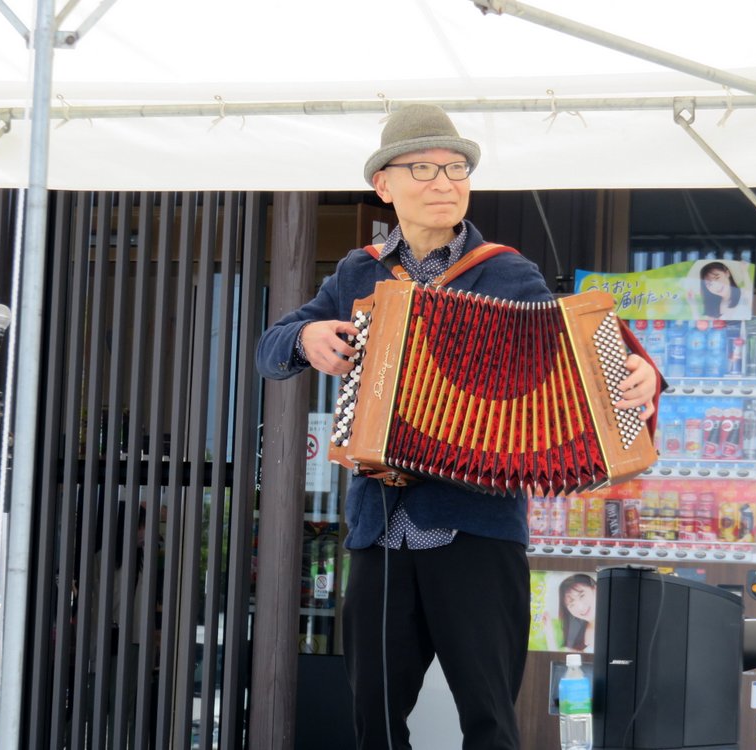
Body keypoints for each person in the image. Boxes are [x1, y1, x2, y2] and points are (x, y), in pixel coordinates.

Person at [255, 104, 661, 750]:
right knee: (375, 726)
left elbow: (577, 352)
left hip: (477, 532)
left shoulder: (508, 273)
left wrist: (638, 376)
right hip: (378, 533)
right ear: (384, 185)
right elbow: (270, 347)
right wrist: (306, 337)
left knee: (490, 723)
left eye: (457, 167)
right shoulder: (358, 273)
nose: (446, 181)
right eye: (425, 167)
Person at [558, 573, 597, 653]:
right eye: (571, 604)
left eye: (582, 596)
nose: (580, 607)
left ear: (595, 589)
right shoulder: (576, 638)